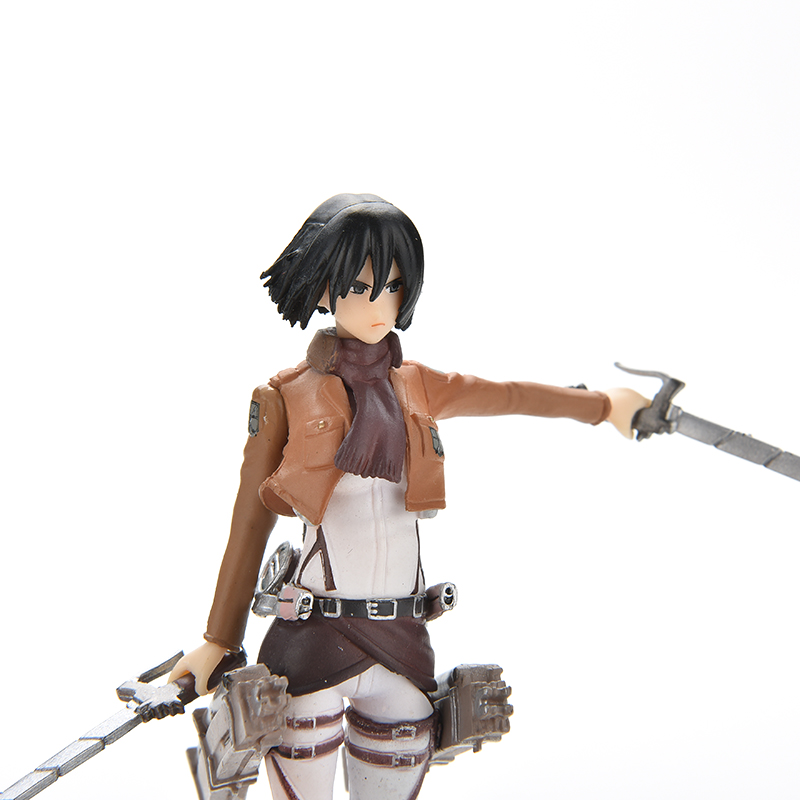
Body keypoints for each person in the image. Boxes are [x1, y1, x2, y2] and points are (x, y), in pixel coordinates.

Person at [171, 193, 647, 800]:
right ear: (324, 289)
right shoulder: (284, 396)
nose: (380, 307)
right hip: (314, 636)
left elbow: (508, 395)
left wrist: (603, 406)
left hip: (403, 635)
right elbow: (250, 520)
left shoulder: (416, 385)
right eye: (360, 288)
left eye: (393, 287)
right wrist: (219, 637)